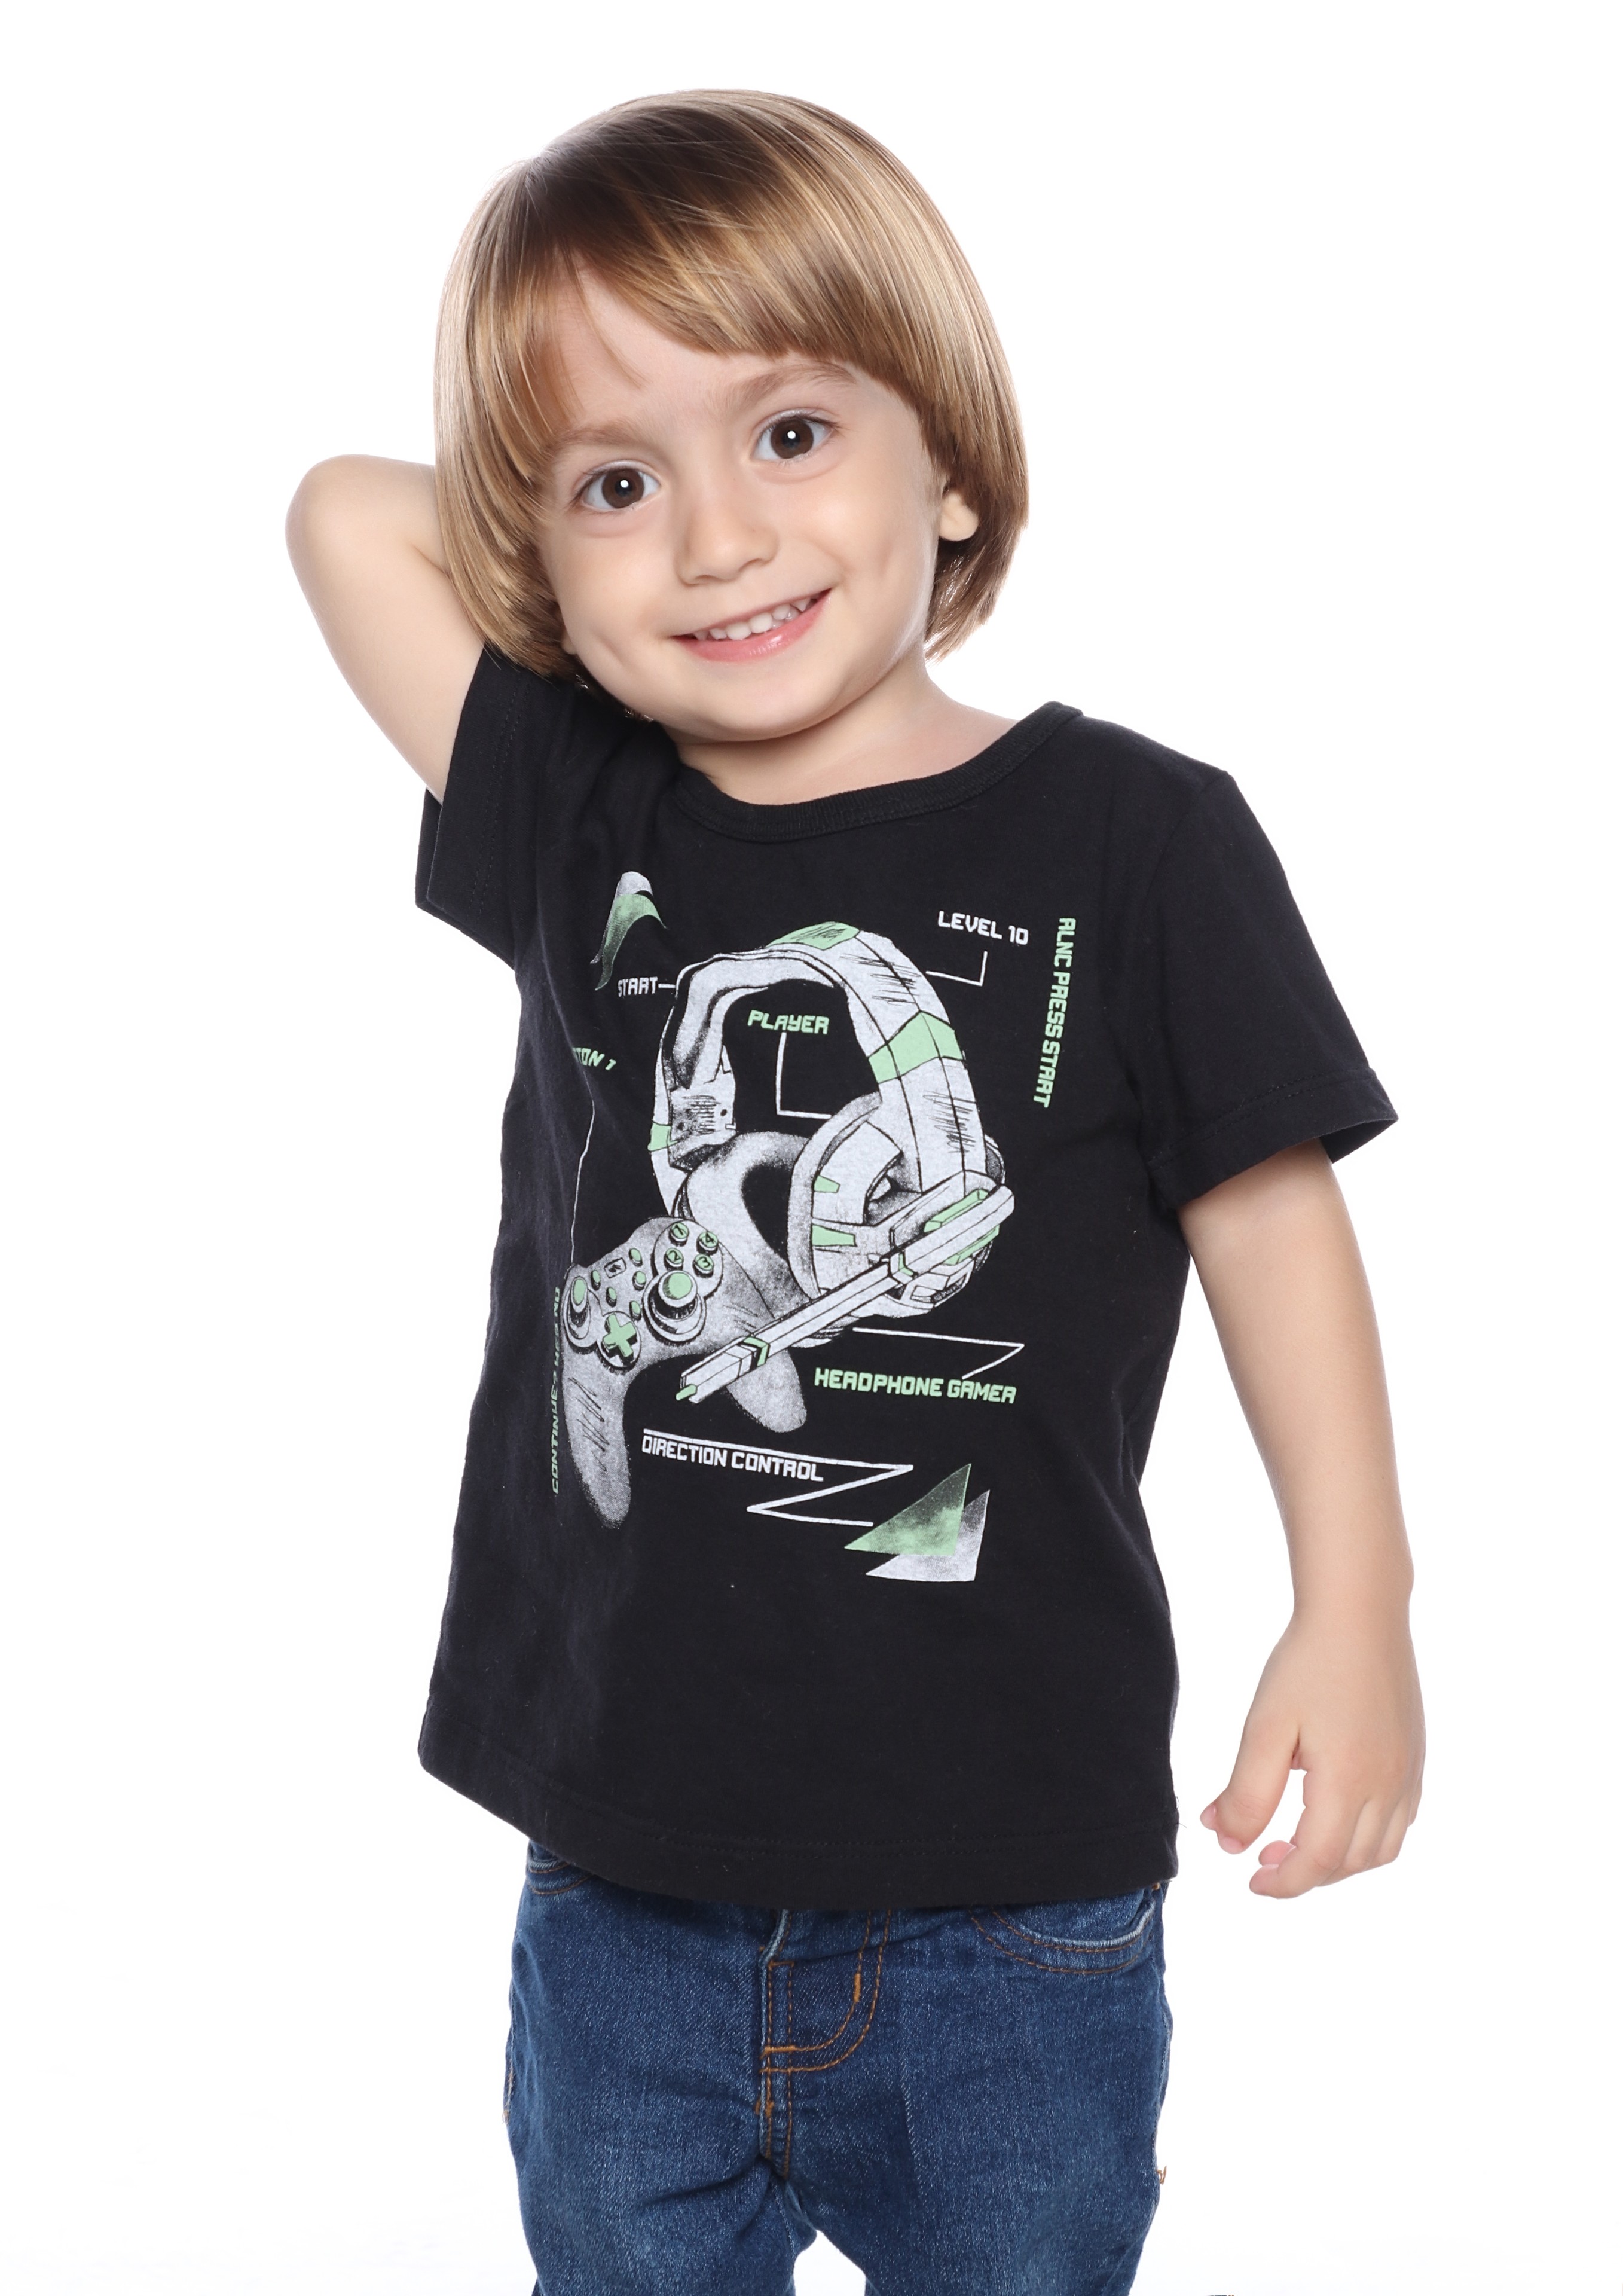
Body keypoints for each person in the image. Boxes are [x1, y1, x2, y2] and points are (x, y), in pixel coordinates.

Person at [286, 89, 1424, 2296]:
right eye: (622, 486)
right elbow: (345, 513)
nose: (718, 540)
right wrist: (577, 555)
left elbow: (1271, 1218)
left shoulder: (1138, 839)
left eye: (794, 436)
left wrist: (1355, 1600)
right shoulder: (577, 815)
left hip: (1011, 1912)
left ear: (955, 466)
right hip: (618, 1884)